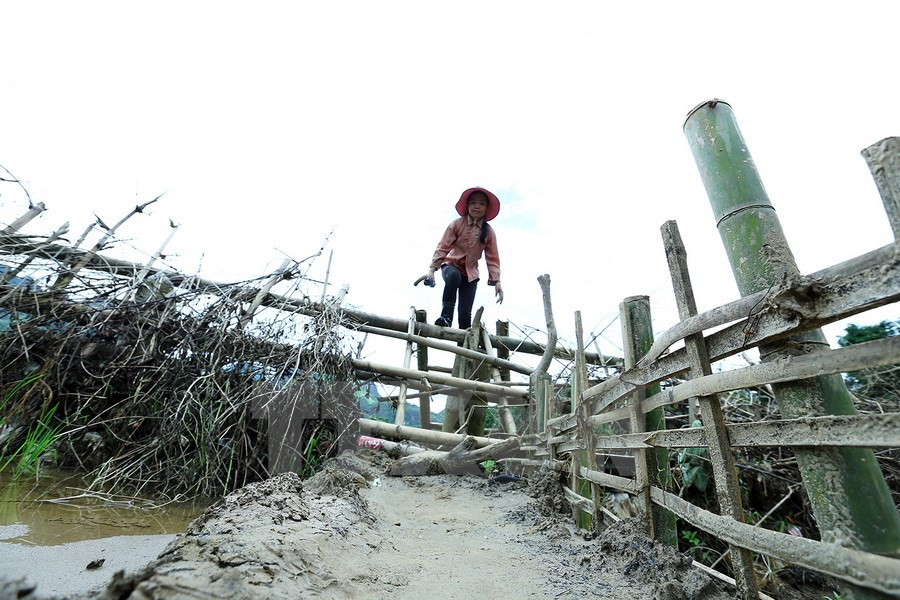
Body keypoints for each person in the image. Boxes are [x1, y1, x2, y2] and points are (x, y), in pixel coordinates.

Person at [422, 187, 503, 329]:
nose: (477, 206)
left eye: (482, 203)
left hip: (471, 275)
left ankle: (463, 347)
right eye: (473, 203)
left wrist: (497, 282)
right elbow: (443, 247)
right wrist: (432, 269)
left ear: (486, 208)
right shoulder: (457, 224)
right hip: (451, 266)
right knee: (454, 276)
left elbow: (493, 258)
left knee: (465, 314)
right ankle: (446, 317)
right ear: (467, 206)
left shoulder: (488, 232)